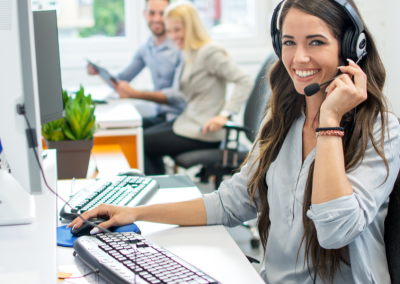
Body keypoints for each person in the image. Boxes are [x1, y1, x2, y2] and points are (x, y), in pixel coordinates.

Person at [69, 0, 400, 283]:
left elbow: (335, 233)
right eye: (288, 42)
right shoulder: (284, 120)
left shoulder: (381, 131)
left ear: (351, 47)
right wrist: (136, 213)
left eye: (315, 42)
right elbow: (229, 203)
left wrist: (329, 123)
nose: (299, 59)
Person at [141, 1, 254, 175]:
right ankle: (159, 187)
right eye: (169, 30)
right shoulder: (190, 52)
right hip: (189, 122)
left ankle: (157, 192)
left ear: (192, 27)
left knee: (143, 143)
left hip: (204, 131)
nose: (172, 36)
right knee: (140, 136)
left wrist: (225, 114)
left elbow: (244, 80)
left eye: (177, 30)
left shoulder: (209, 52)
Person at [87, 0, 185, 129]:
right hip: (160, 115)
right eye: (151, 13)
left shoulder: (180, 46)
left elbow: (178, 95)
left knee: (139, 140)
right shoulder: (146, 48)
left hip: (179, 118)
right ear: (144, 14)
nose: (156, 18)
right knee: (122, 130)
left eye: (162, 13)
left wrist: (134, 93)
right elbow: (121, 80)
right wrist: (99, 72)